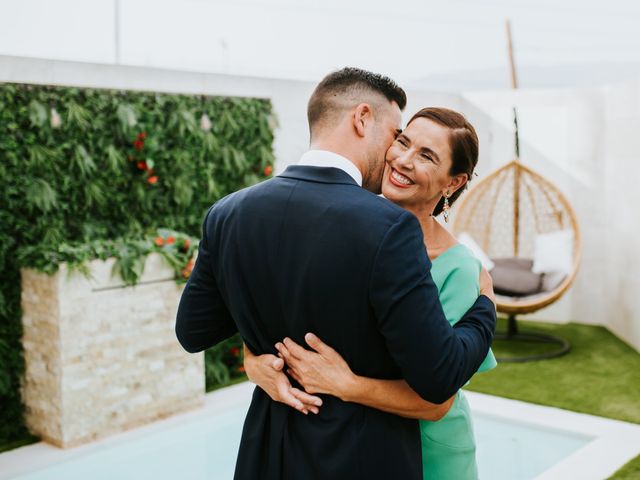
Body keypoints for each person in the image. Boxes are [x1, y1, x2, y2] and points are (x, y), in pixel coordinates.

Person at [175, 68, 497, 480]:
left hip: (267, 451)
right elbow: (438, 376)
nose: (396, 155)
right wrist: (486, 307)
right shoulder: (386, 228)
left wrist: (258, 347)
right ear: (362, 119)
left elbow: (194, 332)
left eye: (424, 153)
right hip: (359, 455)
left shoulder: (228, 212)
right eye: (397, 136)